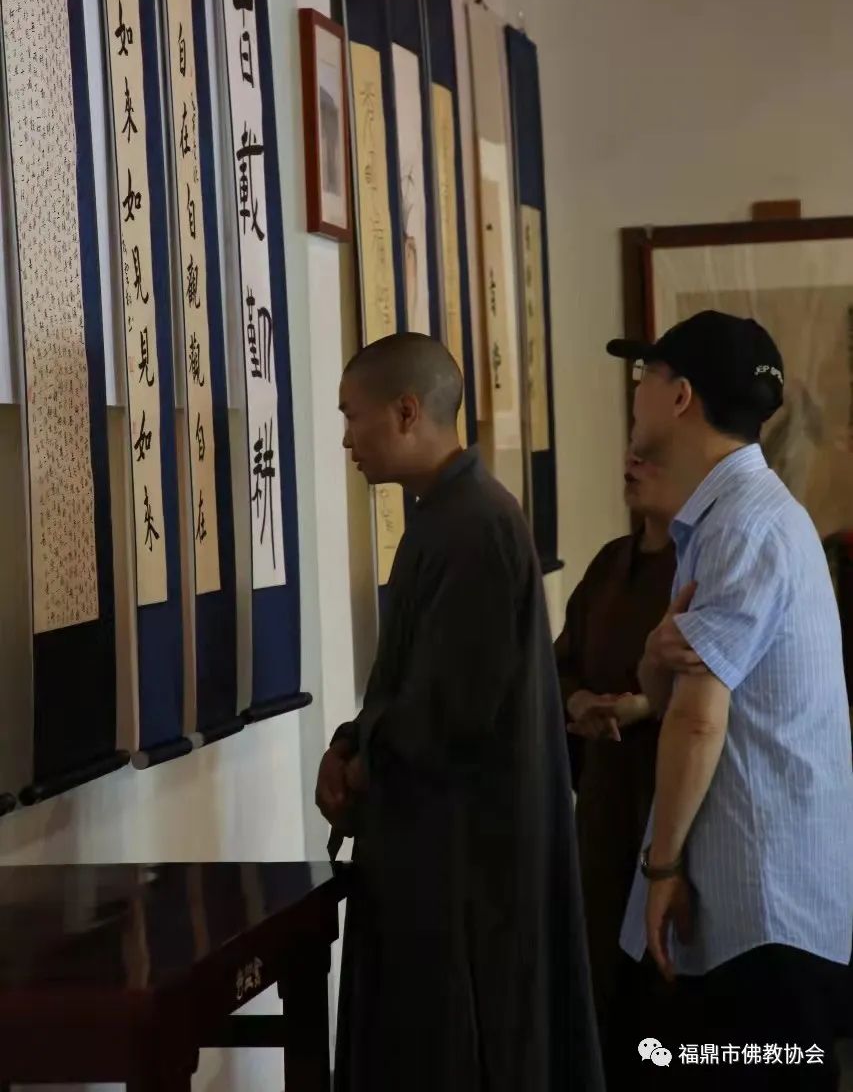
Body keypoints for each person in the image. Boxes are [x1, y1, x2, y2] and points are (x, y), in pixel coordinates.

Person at [315, 332, 604, 1092]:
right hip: (441, 853)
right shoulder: (446, 516)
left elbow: (446, 714)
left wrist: (358, 765)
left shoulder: (473, 526)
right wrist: (349, 743)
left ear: (407, 411)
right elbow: (407, 685)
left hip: (466, 869)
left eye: (351, 416)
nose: (345, 439)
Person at [606, 310, 853, 1090]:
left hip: (763, 904)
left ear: (679, 396)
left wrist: (660, 866)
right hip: (759, 897)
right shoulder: (733, 517)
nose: (635, 395)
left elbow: (696, 716)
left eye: (643, 377)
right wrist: (653, 656)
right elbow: (669, 689)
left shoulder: (741, 526)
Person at [555, 452, 676, 1070]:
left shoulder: (704, 565)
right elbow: (559, 664)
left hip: (671, 804)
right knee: (604, 989)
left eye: (650, 455)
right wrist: (577, 700)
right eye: (631, 451)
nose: (630, 463)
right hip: (603, 810)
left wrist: (645, 706)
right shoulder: (610, 565)